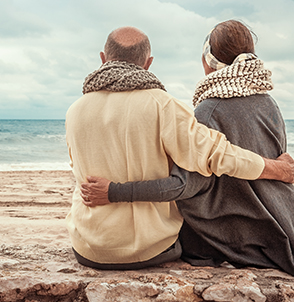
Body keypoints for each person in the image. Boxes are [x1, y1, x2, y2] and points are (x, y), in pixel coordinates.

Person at [66, 25, 294, 270]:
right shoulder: (164, 105)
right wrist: (278, 170)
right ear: (148, 62)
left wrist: (112, 192)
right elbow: (218, 155)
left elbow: (78, 171)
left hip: (87, 248)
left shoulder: (75, 111)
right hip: (151, 248)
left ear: (102, 58)